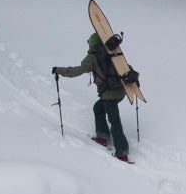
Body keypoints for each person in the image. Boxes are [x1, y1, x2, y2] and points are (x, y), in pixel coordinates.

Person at [53, 32, 131, 161]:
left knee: (115, 121)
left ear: (92, 43)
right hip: (121, 91)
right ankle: (102, 136)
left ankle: (122, 153)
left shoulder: (92, 57)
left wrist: (58, 70)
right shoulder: (113, 52)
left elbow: (76, 71)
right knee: (98, 108)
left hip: (109, 93)